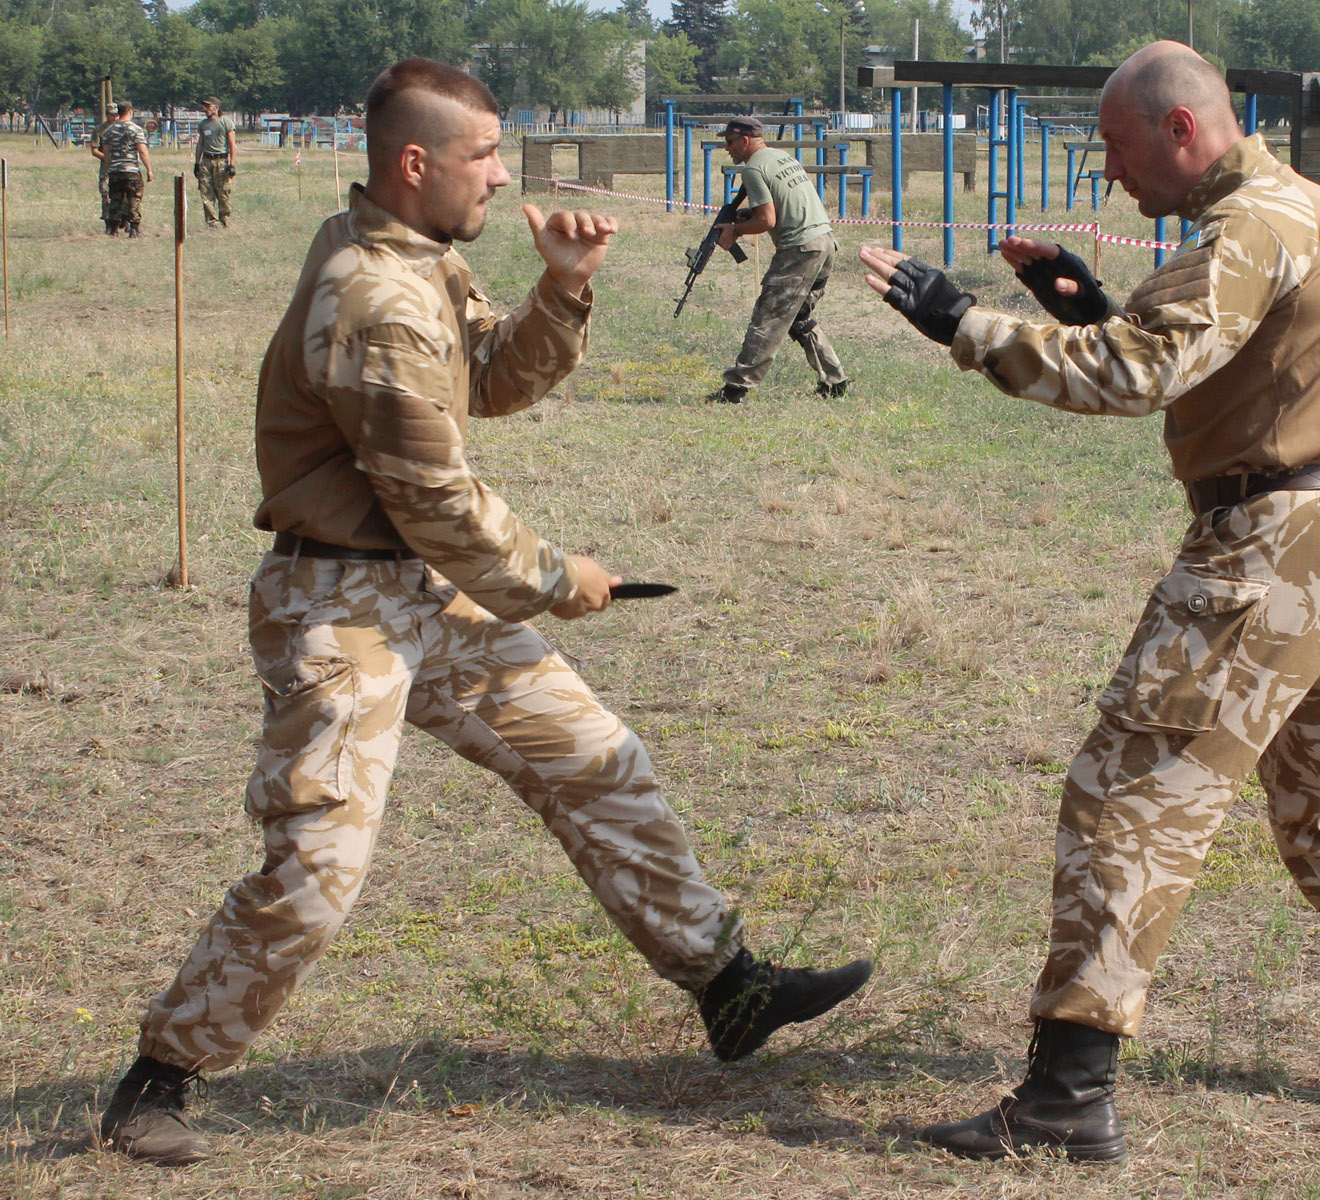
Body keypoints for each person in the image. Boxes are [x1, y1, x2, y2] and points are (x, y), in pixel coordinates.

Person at [98, 57, 872, 1167]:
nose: (503, 179)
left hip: (418, 588)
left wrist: (559, 290)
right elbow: (436, 501)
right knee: (317, 868)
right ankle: (155, 1081)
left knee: (595, 757)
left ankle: (729, 988)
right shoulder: (372, 294)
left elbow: (493, 383)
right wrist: (562, 581)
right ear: (416, 163)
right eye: (485, 156)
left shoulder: (417, 259)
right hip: (342, 605)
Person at [862, 40, 1320, 1163]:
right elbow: (1220, 356)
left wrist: (960, 323)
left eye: (1116, 150)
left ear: (1180, 132)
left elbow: (1134, 374)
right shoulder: (1295, 205)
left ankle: (1067, 1093)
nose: (1110, 176)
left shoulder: (1251, 222)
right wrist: (1084, 302)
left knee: (1127, 791)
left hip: (1272, 549)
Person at [705, 115, 848, 404]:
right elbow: (779, 208)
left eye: (730, 142)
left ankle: (736, 389)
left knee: (768, 316)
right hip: (825, 243)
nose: (727, 148)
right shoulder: (781, 158)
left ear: (745, 141)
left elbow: (767, 221)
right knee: (799, 317)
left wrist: (735, 230)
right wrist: (746, 218)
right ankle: (835, 382)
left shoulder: (753, 169)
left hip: (800, 249)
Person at [99, 101, 153, 238]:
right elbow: (142, 151)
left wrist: (109, 167)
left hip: (115, 171)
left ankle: (113, 229)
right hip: (131, 170)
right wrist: (149, 170)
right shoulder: (135, 129)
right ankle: (134, 229)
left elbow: (106, 154)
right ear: (130, 111)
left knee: (116, 199)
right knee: (134, 198)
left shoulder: (108, 131)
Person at [193, 96, 237, 228]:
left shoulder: (226, 123)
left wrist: (232, 164)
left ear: (216, 108)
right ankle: (212, 223)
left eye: (208, 106)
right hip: (206, 161)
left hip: (221, 161)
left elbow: (232, 144)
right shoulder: (203, 124)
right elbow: (200, 144)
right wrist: (197, 163)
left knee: (223, 192)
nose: (205, 109)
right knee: (206, 192)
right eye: (204, 107)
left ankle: (225, 220)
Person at [88, 111, 114, 234]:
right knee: (106, 194)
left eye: (117, 114)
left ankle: (126, 222)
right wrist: (108, 158)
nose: (114, 117)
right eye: (112, 115)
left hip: (123, 167)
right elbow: (94, 150)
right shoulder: (99, 130)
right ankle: (108, 223)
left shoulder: (124, 128)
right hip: (106, 167)